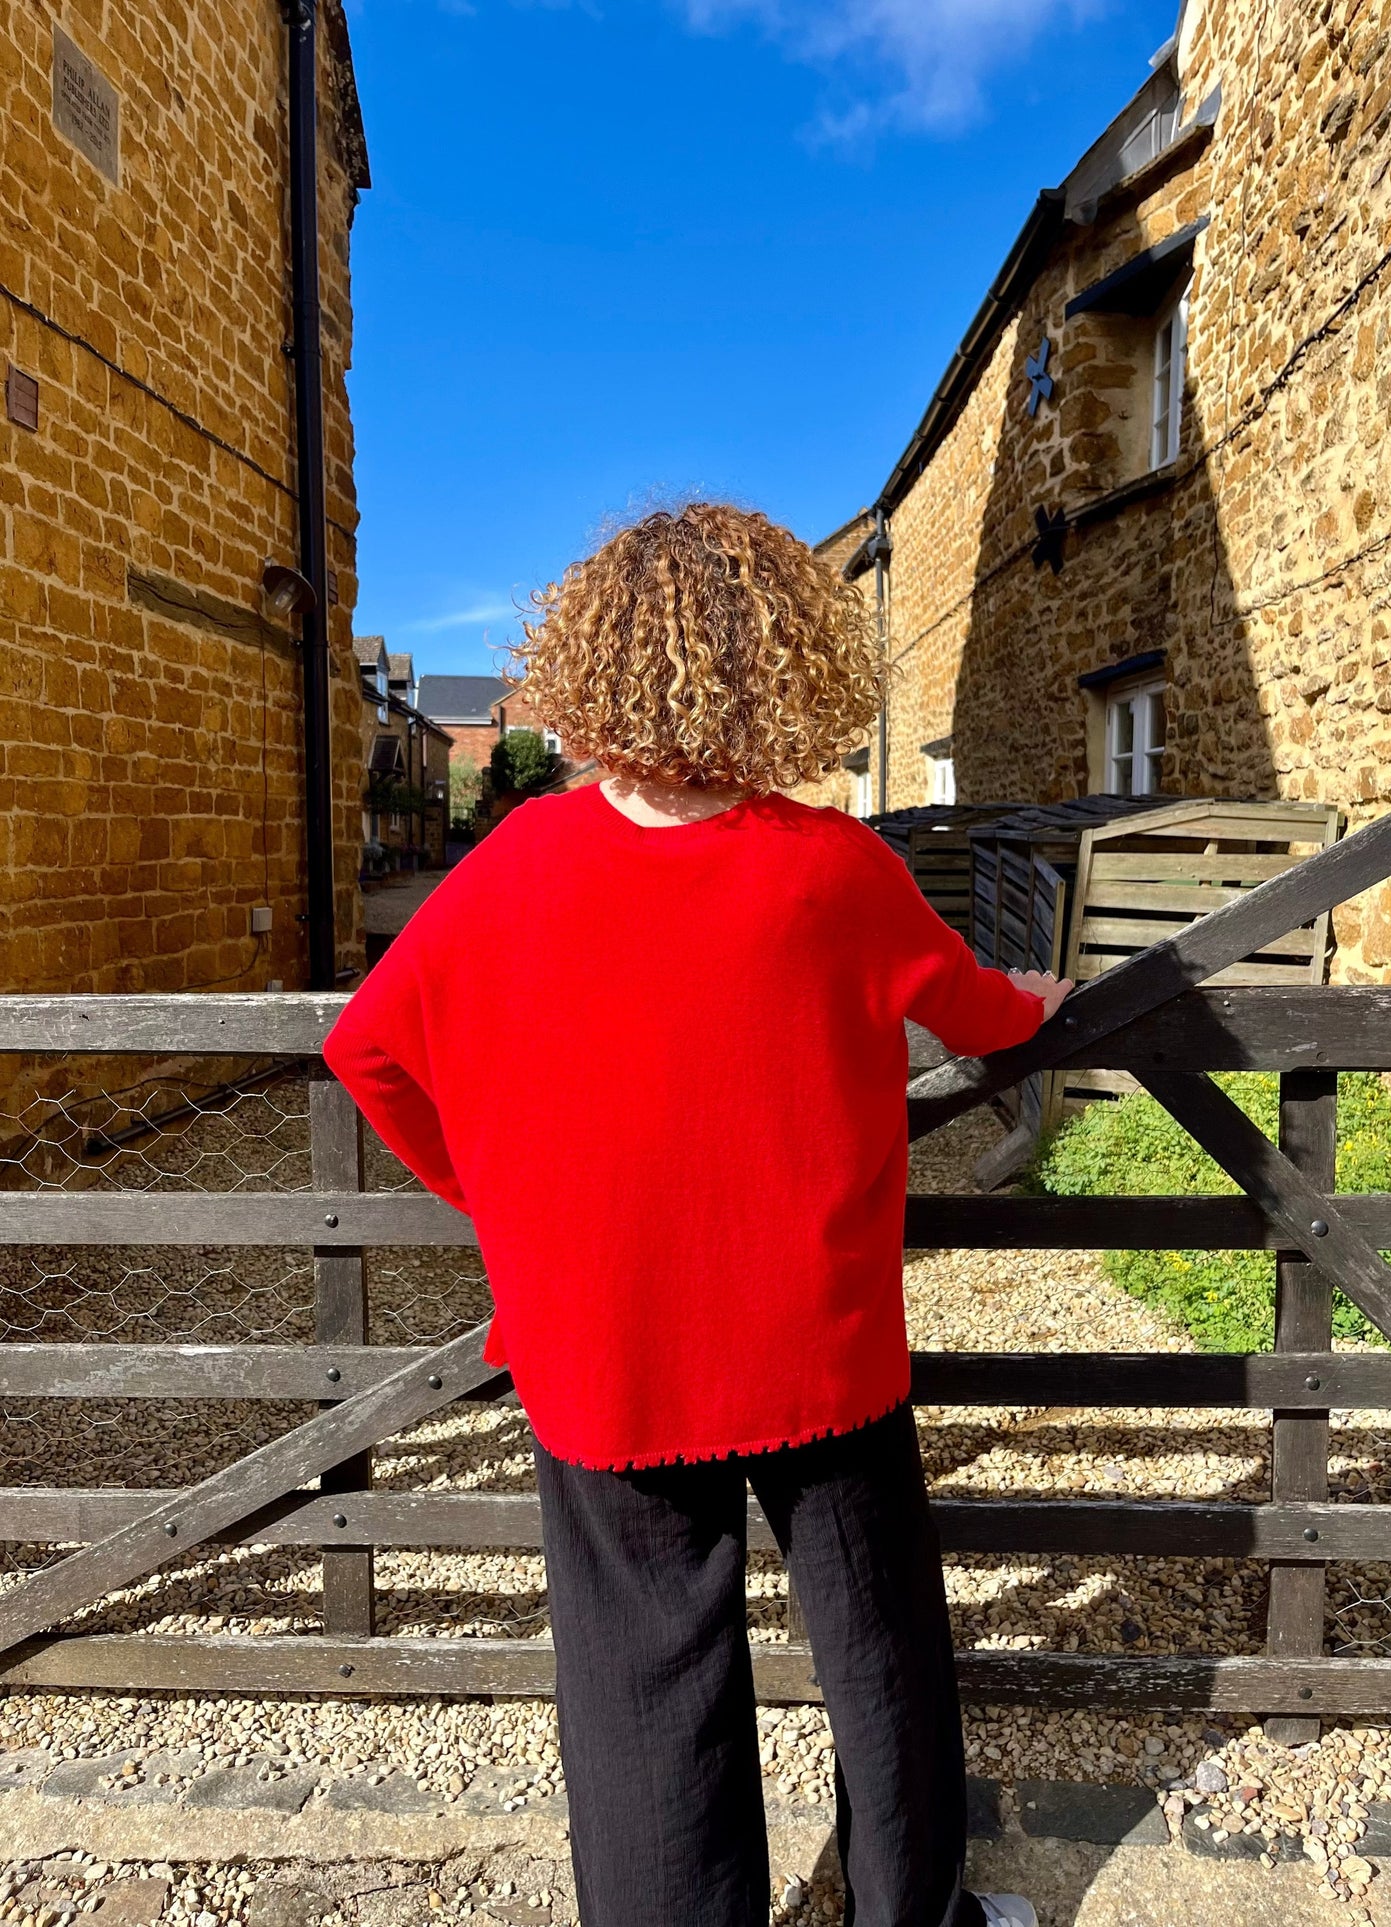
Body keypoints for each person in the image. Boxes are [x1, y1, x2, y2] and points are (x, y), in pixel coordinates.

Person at [323, 503, 1071, 1927]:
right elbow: (976, 1009)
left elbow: (367, 1050)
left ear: (597, 658)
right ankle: (912, 1913)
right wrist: (1036, 1002)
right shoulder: (832, 869)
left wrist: (502, 1206)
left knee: (639, 1670)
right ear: (779, 664)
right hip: (816, 1344)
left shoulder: (516, 866)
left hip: (601, 1344)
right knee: (879, 1648)